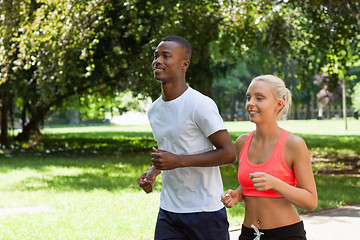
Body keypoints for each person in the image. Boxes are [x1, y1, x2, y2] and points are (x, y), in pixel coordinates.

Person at [138, 36, 236, 240]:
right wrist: (153, 171)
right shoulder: (154, 110)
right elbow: (172, 148)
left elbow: (229, 153)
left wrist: (178, 161)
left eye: (166, 56)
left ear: (185, 64)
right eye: (156, 56)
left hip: (205, 211)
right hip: (169, 209)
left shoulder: (200, 104)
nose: (158, 61)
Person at [221, 75, 318, 240]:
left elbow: (311, 201)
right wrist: (238, 194)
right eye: (248, 97)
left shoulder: (294, 144)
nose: (250, 103)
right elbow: (250, 186)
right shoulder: (242, 142)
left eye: (259, 98)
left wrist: (275, 183)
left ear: (278, 104)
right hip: (249, 234)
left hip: (286, 234)